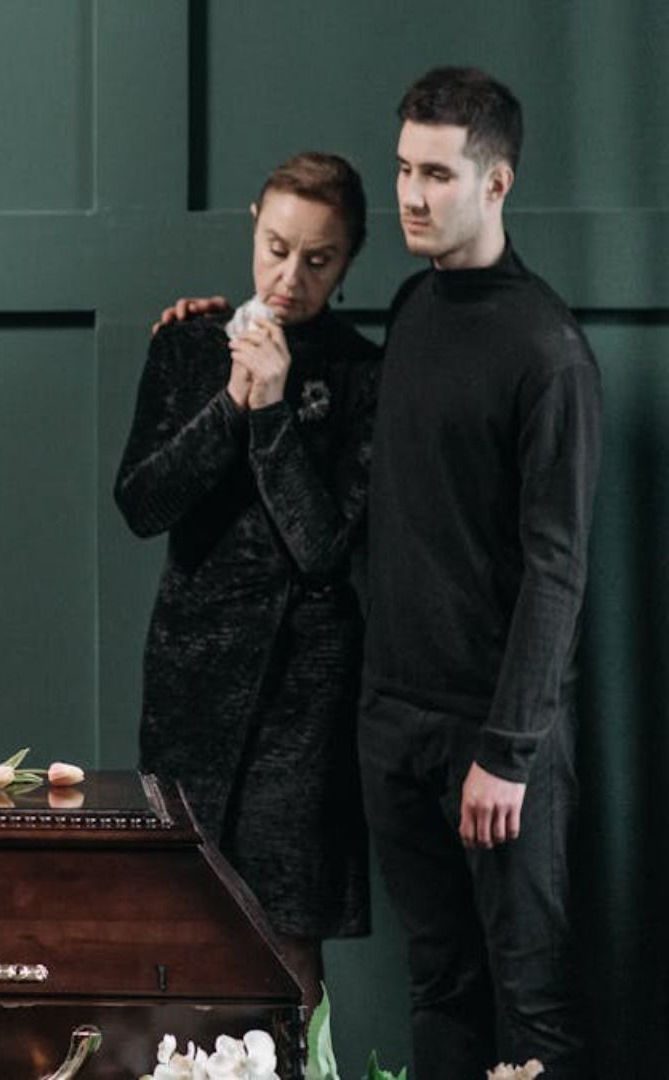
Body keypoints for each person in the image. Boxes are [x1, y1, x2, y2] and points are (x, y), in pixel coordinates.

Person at [359, 68, 597, 1076]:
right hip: (393, 724)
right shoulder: (413, 304)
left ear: (496, 183)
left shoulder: (547, 352)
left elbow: (557, 569)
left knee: (532, 1006)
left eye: (438, 174)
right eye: (404, 168)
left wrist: (506, 751)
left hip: (499, 743)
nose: (411, 195)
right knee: (439, 984)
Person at [116, 152, 379, 1005]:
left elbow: (322, 549)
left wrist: (271, 413)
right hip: (191, 676)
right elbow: (143, 503)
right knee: (178, 921)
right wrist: (232, 399)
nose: (289, 276)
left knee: (285, 937)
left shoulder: (363, 374)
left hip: (303, 695)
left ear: (349, 261)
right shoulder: (189, 342)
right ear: (254, 225)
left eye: (318, 259)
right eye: (275, 247)